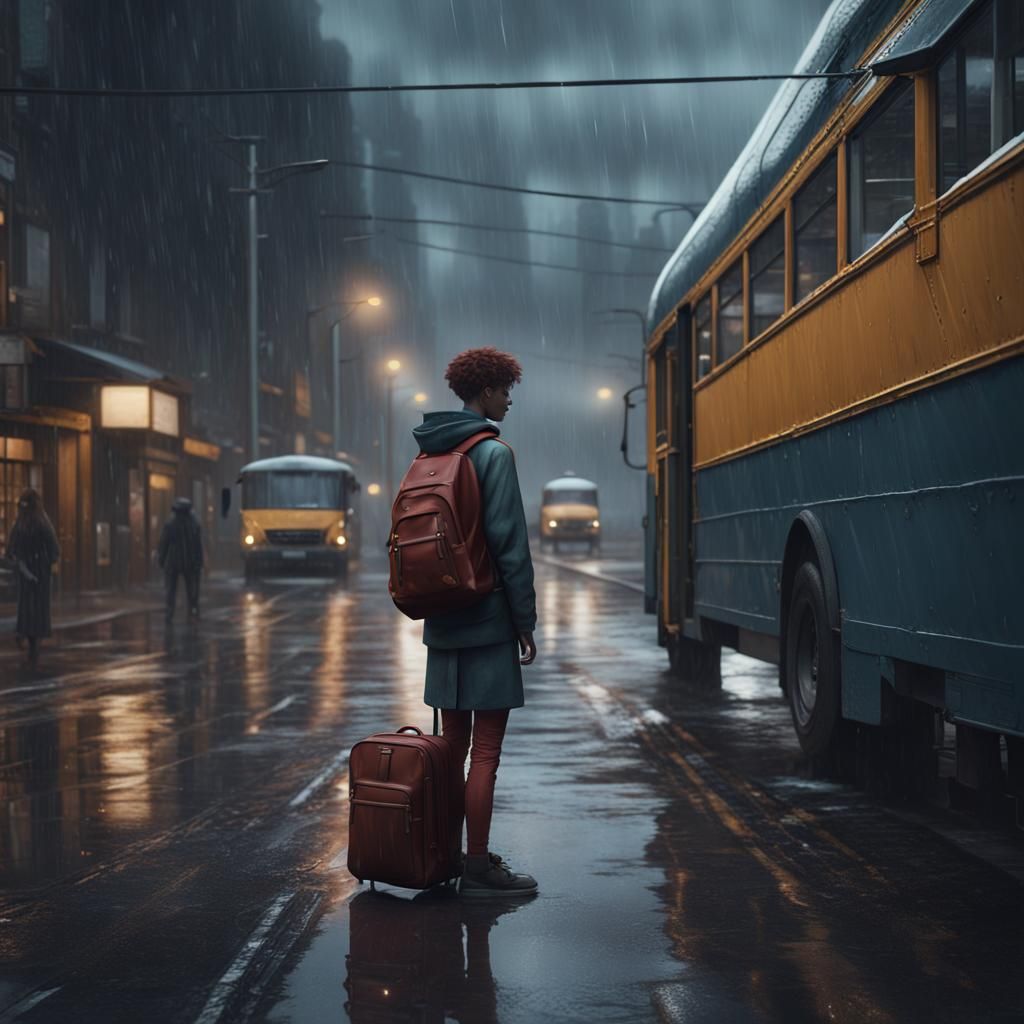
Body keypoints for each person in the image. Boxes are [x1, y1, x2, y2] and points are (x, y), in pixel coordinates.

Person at [411, 346, 538, 896]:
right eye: (504, 390)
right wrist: (524, 620)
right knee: (485, 754)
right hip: (486, 623)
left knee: (451, 751)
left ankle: (445, 856)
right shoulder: (493, 455)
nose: (508, 400)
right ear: (485, 391)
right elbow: (510, 545)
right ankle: (479, 867)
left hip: (442, 623)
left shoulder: (427, 455)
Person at [5, 488, 60, 667]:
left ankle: (27, 636)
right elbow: (54, 548)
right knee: (38, 610)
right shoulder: (42, 521)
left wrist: (18, 561)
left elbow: (10, 549)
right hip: (40, 572)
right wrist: (48, 562)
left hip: (26, 570)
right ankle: (33, 643)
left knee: (27, 608)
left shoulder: (20, 523)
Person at [157, 497, 203, 621]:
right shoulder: (194, 524)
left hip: (173, 562)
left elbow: (164, 543)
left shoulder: (171, 524)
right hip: (189, 561)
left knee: (171, 589)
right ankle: (192, 610)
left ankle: (170, 612)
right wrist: (199, 562)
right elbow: (198, 545)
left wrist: (161, 559)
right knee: (191, 589)